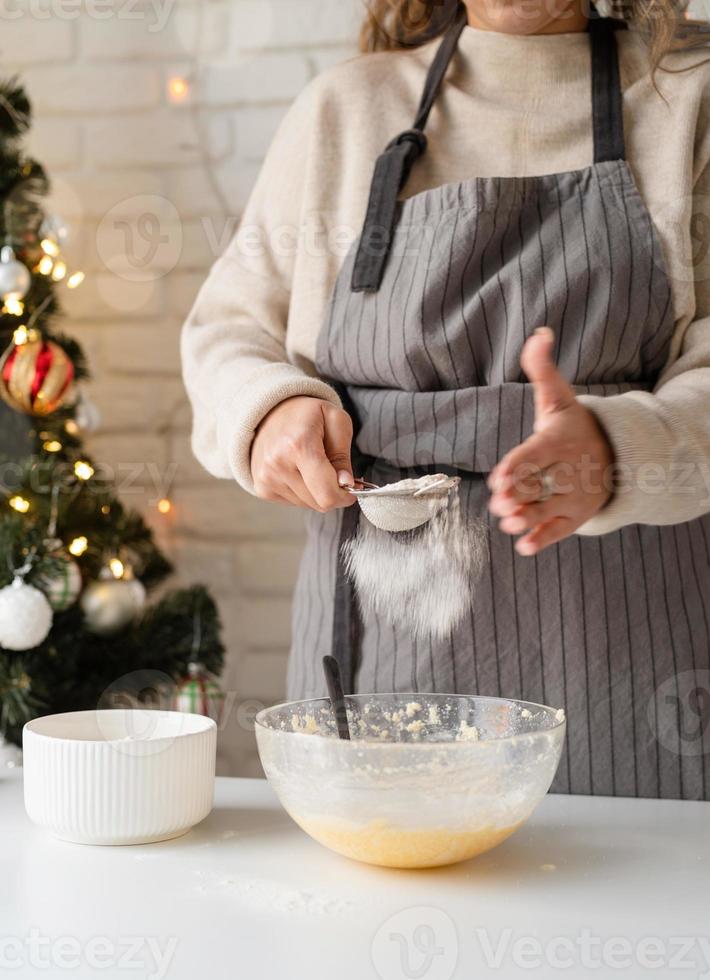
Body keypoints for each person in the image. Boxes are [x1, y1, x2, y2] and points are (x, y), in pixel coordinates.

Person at [182, 0, 710, 800]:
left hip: (639, 657)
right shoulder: (346, 110)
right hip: (390, 653)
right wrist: (270, 410)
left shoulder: (690, 98)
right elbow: (226, 330)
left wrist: (619, 449)